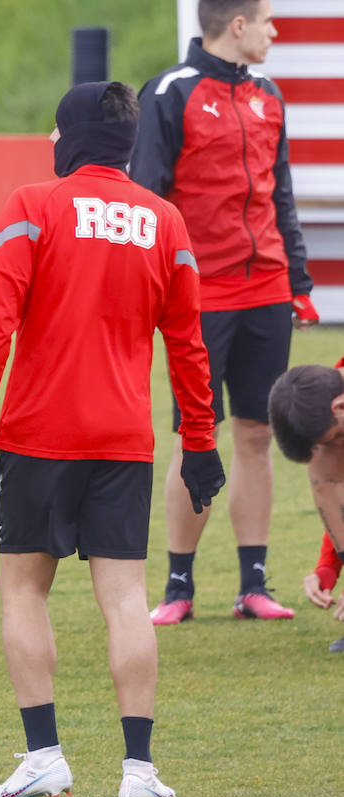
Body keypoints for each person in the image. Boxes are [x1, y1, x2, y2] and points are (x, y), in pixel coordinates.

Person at [0, 81, 223, 797]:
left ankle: (45, 756)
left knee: (23, 588)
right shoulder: (165, 221)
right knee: (127, 596)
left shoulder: (32, 206)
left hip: (39, 435)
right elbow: (189, 345)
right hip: (125, 440)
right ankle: (139, 770)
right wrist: (199, 440)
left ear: (67, 137)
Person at [131, 0, 315, 626]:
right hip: (200, 295)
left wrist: (298, 276)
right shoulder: (169, 92)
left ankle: (252, 585)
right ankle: (179, 586)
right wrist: (151, 284)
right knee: (195, 434)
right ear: (237, 25)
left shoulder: (268, 94)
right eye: (267, 20)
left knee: (258, 435)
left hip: (266, 289)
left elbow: (279, 190)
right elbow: (147, 197)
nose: (274, 31)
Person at [267, 364, 344, 650]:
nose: (337, 448)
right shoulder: (326, 396)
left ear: (340, 406)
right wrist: (329, 566)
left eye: (336, 438)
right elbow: (331, 485)